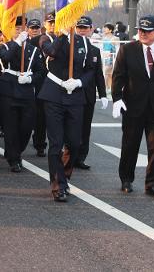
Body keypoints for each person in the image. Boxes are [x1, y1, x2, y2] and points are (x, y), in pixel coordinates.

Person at [111, 15, 154, 198]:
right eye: (140, 30)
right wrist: (117, 98)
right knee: (130, 144)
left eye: (147, 30)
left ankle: (153, 184)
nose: (142, 33)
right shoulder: (127, 49)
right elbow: (118, 76)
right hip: (133, 105)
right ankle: (126, 180)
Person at [37, 22, 95, 203]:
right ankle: (58, 184)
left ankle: (65, 176)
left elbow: (91, 69)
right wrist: (62, 35)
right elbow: (52, 52)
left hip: (75, 96)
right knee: (56, 143)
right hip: (54, 95)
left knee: (75, 142)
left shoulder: (83, 43)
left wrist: (79, 83)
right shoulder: (48, 39)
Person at [0, 25, 44, 172]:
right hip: (8, 91)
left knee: (26, 127)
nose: (19, 31)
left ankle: (16, 151)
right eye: (16, 29)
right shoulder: (4, 46)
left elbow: (41, 71)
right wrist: (17, 43)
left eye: (22, 28)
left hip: (26, 91)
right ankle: (14, 158)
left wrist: (31, 79)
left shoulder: (34, 49)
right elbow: (5, 58)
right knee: (11, 128)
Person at [72, 16, 108, 170]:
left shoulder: (94, 50)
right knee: (72, 126)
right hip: (71, 92)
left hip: (88, 95)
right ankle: (69, 154)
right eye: (79, 27)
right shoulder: (69, 47)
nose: (82, 30)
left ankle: (81, 157)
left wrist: (103, 94)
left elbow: (98, 74)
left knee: (85, 128)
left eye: (85, 28)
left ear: (91, 29)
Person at [30, 13, 56, 157]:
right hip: (41, 81)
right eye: (50, 22)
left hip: (58, 82)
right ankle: (40, 144)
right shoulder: (36, 40)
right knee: (40, 115)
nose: (52, 25)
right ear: (45, 24)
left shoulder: (63, 39)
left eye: (54, 22)